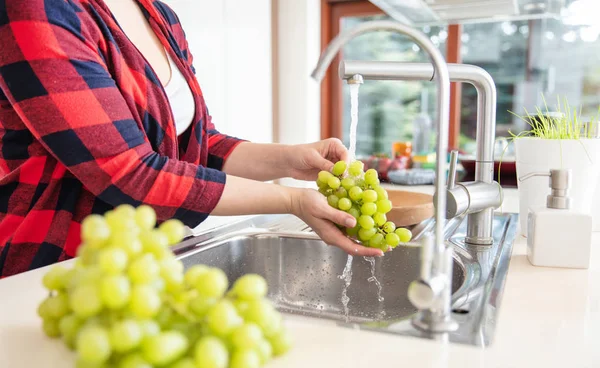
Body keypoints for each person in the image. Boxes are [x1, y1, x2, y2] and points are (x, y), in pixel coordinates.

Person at [0, 0, 382, 277]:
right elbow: (129, 173)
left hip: (140, 259)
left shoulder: (161, 16)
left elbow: (197, 145)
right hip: (50, 267)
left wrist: (290, 159)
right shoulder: (38, 10)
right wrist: (292, 200)